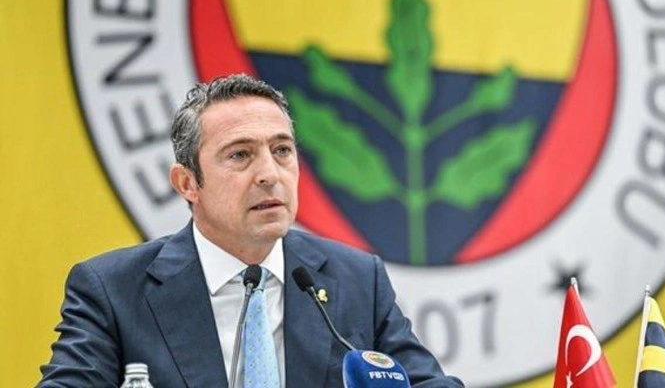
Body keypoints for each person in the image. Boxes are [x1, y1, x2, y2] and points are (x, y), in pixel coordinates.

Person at [39, 74, 463, 387]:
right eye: (240, 155)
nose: (269, 174)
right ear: (187, 183)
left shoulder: (356, 280)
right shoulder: (113, 291)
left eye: (282, 151)